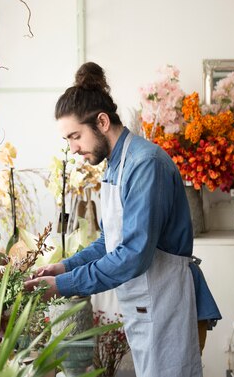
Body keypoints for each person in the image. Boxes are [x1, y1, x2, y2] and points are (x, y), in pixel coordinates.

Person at [25, 62, 220, 377]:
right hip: (145, 307)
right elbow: (109, 241)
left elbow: (133, 255)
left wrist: (62, 285)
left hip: (164, 303)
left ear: (101, 122)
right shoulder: (114, 165)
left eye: (75, 136)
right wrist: (64, 267)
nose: (73, 149)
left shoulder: (145, 164)